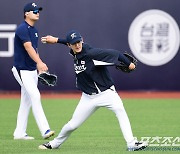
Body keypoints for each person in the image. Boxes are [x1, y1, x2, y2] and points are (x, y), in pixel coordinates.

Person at [38, 30, 147, 151]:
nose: (77, 45)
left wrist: (129, 63)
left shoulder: (92, 53)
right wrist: (57, 40)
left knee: (120, 111)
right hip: (88, 98)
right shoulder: (75, 52)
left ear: (82, 40)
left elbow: (116, 53)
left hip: (107, 93)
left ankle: (131, 143)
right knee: (72, 125)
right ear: (69, 45)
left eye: (79, 42)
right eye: (74, 43)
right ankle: (55, 144)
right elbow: (69, 42)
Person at [11, 2, 55, 140]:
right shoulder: (22, 29)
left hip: (31, 70)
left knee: (26, 101)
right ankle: (45, 130)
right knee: (35, 96)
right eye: (34, 10)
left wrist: (39, 67)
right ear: (26, 13)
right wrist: (40, 62)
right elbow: (28, 48)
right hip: (21, 70)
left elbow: (34, 50)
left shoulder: (34, 30)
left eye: (38, 10)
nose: (37, 12)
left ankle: (19, 133)